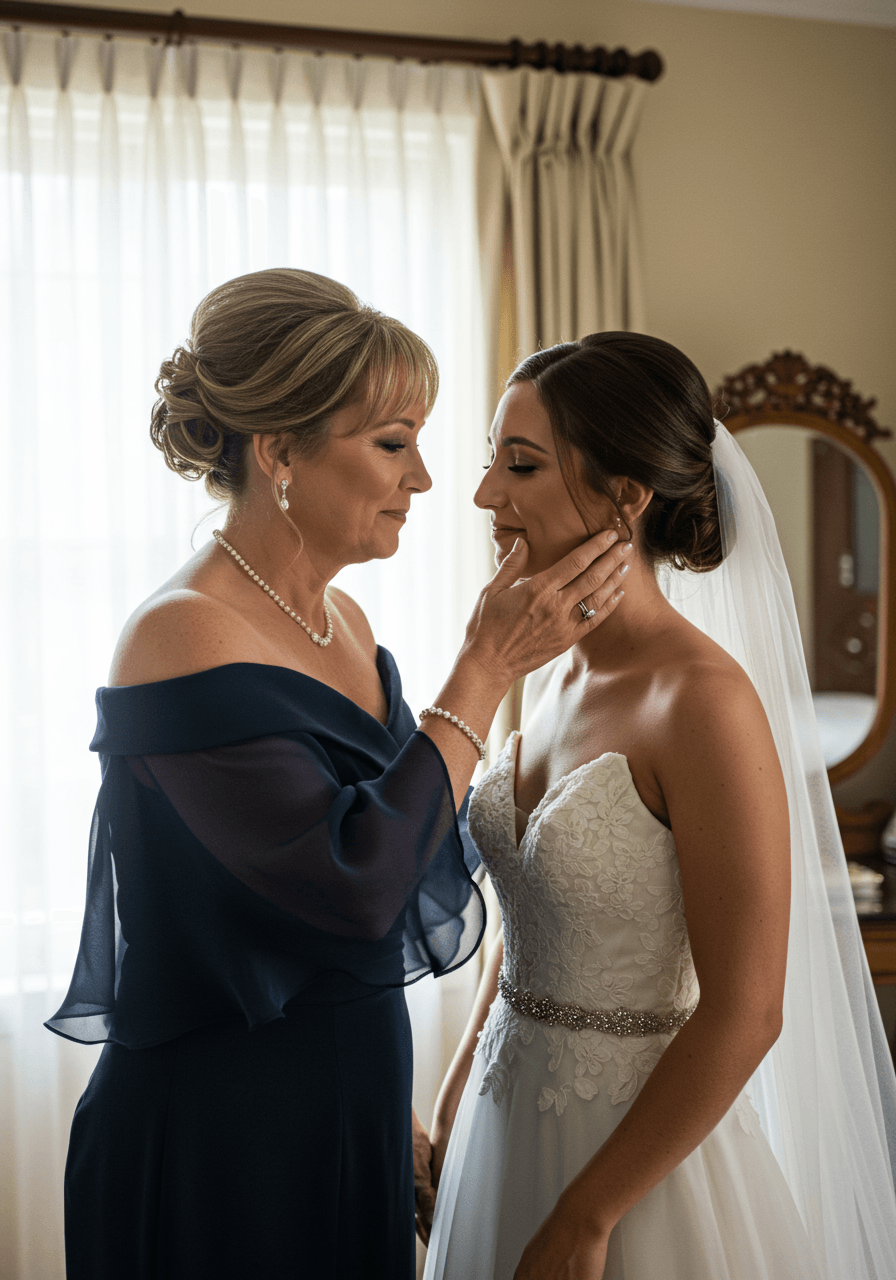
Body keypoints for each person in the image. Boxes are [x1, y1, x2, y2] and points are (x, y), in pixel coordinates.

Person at [45, 270, 633, 1280]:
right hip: (220, 1141)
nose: (426, 480)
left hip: (349, 1110)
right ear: (279, 453)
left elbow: (408, 860)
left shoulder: (343, 623)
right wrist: (485, 665)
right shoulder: (182, 632)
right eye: (394, 444)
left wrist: (382, 1103)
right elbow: (356, 888)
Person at [421, 332, 896, 1280]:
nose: (483, 495)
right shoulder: (546, 674)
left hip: (636, 1164)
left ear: (625, 497)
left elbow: (749, 1011)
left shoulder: (702, 700)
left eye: (521, 465)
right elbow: (533, 910)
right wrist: (457, 1085)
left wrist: (587, 1216)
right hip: (501, 1124)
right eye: (491, 461)